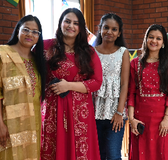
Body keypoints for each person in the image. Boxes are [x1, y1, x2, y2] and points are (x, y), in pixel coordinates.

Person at [41, 8, 102, 160]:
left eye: (76, 23)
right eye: (67, 21)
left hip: (80, 112)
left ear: (81, 28)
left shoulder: (89, 51)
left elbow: (97, 82)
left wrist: (68, 85)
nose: (71, 26)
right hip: (52, 109)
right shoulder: (45, 46)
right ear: (60, 23)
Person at [0, 15, 46, 159]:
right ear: (18, 30)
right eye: (26, 30)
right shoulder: (1, 53)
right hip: (7, 123)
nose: (30, 34)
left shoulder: (37, 61)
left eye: (35, 32)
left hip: (31, 125)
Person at [127, 24, 168, 160]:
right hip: (140, 118)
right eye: (151, 37)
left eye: (158, 38)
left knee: (161, 153)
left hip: (161, 118)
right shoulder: (135, 63)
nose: (154, 41)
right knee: (140, 153)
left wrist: (167, 118)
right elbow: (131, 93)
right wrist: (131, 119)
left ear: (163, 43)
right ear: (145, 39)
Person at [93, 13, 130, 160]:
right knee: (99, 155)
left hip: (115, 112)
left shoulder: (123, 52)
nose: (109, 32)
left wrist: (119, 112)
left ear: (119, 33)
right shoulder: (92, 52)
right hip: (94, 111)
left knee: (113, 155)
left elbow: (124, 83)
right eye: (106, 27)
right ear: (100, 29)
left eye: (114, 29)